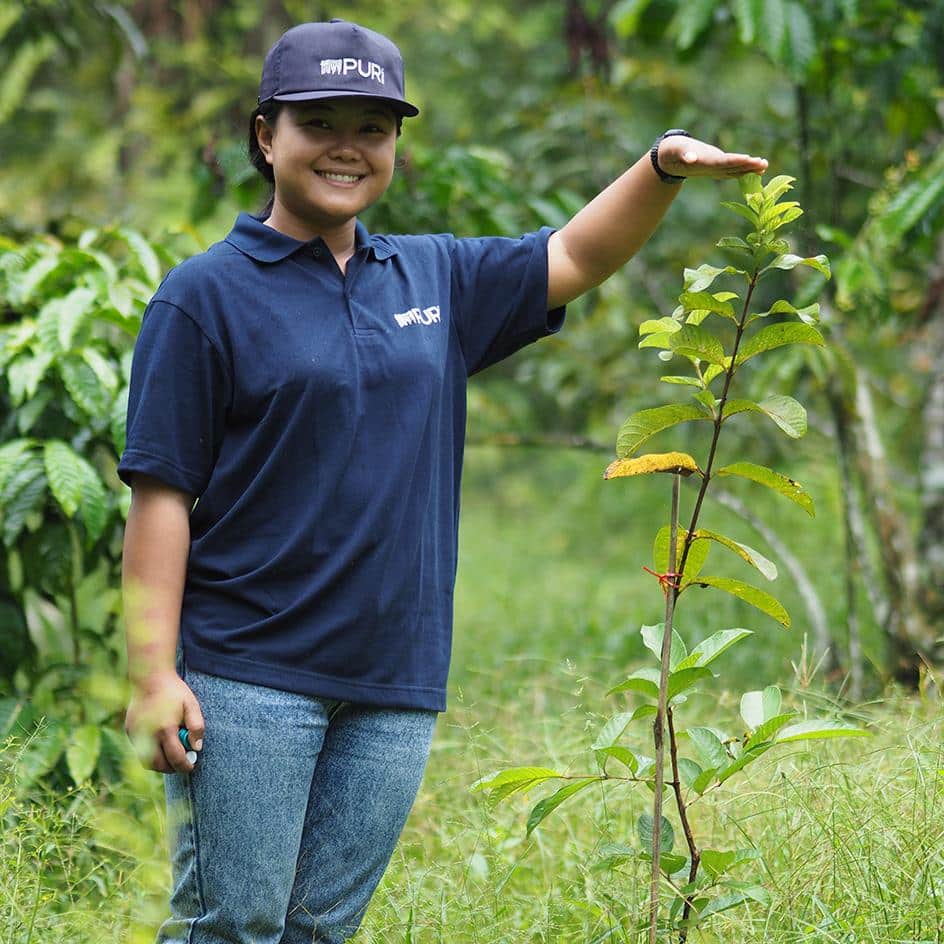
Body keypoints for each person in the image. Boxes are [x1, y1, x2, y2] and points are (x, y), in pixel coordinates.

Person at [119, 18, 768, 944]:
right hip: (249, 674)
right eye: (319, 123)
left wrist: (660, 165)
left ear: (395, 145)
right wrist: (152, 673)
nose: (347, 147)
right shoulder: (203, 296)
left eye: (372, 128)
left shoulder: (433, 277)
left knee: (320, 930)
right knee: (234, 925)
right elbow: (162, 494)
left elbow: (576, 256)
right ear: (266, 136)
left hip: (396, 678)